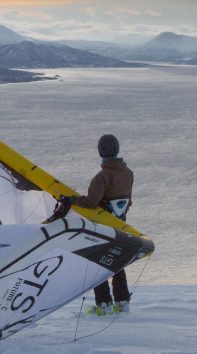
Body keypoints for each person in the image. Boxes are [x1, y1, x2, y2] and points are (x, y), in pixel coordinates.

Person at [71, 134, 134, 315]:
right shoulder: (129, 174)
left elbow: (91, 203)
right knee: (117, 262)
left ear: (100, 152)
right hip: (120, 226)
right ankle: (122, 301)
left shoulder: (102, 177)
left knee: (98, 264)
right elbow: (128, 201)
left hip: (102, 229)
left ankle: (103, 304)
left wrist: (74, 200)